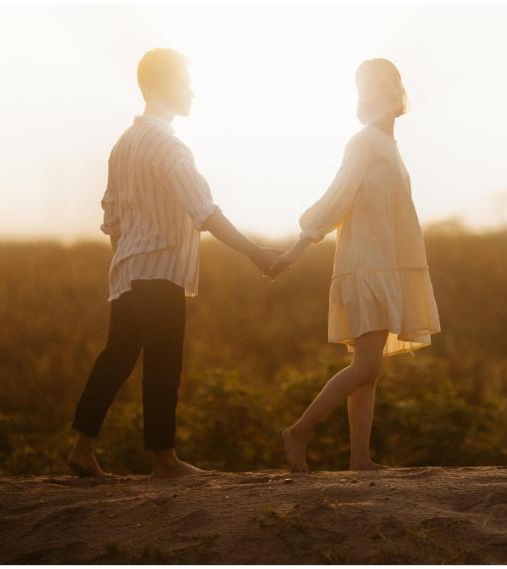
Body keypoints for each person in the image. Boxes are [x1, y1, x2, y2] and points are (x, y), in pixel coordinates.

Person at [68, 48, 285, 478]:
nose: (192, 91)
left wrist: (127, 262)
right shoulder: (169, 146)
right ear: (165, 84)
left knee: (116, 358)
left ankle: (82, 449)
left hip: (128, 271)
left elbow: (112, 219)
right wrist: (256, 253)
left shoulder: (124, 145)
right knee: (163, 365)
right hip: (162, 271)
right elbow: (205, 212)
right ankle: (164, 460)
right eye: (186, 82)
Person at [276, 58, 441, 473]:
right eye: (372, 86)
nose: (383, 91)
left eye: (390, 83)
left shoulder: (389, 146)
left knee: (367, 370)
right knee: (368, 365)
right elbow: (337, 198)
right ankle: (298, 432)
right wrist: (299, 247)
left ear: (399, 90)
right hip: (365, 266)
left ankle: (360, 458)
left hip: (386, 265)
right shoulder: (364, 141)